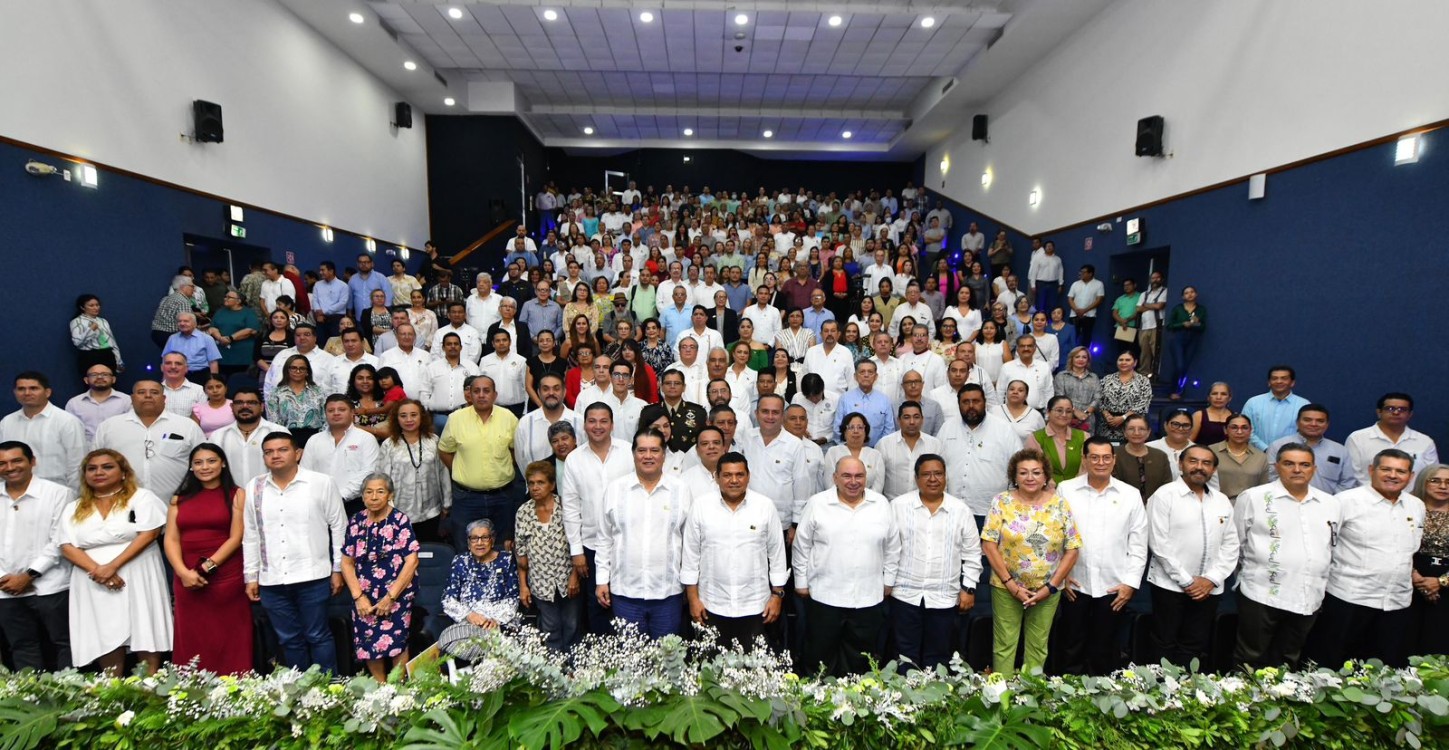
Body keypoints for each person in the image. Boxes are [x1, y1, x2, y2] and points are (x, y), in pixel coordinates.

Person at [1306, 449, 1423, 668]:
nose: (1393, 475)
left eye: (1401, 471)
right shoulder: (1344, 502)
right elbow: (1322, 547)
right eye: (1386, 469)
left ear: (1411, 476)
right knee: (1333, 666)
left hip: (1396, 602)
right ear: (1371, 470)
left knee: (1385, 669)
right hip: (1349, 598)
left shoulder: (1416, 506)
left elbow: (1410, 551)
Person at [59, 449, 172, 675]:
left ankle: (149, 689)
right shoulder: (74, 507)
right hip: (93, 579)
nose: (99, 472)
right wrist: (99, 571)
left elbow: (149, 533)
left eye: (107, 467)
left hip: (138, 572)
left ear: (123, 472)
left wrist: (112, 566)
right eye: (92, 468)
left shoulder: (142, 497)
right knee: (104, 631)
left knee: (144, 626)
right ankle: (112, 691)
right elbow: (66, 546)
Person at [243, 432, 347, 673]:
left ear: (297, 454)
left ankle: (328, 691)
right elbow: (251, 533)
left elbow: (339, 527)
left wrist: (338, 568)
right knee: (289, 640)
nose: (275, 455)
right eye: (269, 452)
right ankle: (299, 693)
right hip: (273, 579)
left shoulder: (321, 482)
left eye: (282, 450)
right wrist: (251, 575)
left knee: (318, 635)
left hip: (313, 576)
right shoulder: (255, 486)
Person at [1232, 442, 1339, 670]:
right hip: (1260, 592)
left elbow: (1331, 546)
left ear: (1314, 469)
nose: (1297, 470)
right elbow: (1236, 544)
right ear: (1276, 466)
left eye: (1304, 464)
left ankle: (1283, 703)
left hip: (1307, 594)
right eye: (1289, 464)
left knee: (1288, 658)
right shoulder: (1253, 497)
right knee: (1250, 658)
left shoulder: (1330, 503)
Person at [793, 456, 899, 676]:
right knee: (820, 659)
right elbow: (802, 545)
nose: (853, 481)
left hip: (868, 597)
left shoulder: (880, 504)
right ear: (834, 478)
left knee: (860, 662)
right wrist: (801, 582)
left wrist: (888, 580)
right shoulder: (817, 503)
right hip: (825, 595)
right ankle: (817, 706)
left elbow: (892, 546)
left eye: (859, 476)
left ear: (866, 478)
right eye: (847, 476)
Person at [980, 450, 1080, 678]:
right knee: (1004, 645)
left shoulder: (1060, 504)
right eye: (1023, 473)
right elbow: (988, 544)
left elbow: (1073, 548)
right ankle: (1001, 702)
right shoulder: (1001, 501)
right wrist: (1011, 585)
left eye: (1036, 472)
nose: (1030, 477)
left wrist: (1051, 587)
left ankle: (1030, 701)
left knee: (1038, 647)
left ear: (1046, 476)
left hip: (1048, 589)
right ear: (1014, 476)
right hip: (1006, 587)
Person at [1055, 438, 1148, 676]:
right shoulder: (1066, 489)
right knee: (1071, 645)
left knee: (1105, 648)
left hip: (1113, 586)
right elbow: (1055, 537)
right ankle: (1068, 699)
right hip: (1074, 583)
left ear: (1114, 460)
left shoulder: (1130, 495)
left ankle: (1101, 702)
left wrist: (1130, 584)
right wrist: (1060, 577)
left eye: (1106, 457)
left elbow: (1138, 543)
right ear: (1084, 460)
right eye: (1094, 457)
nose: (1100, 462)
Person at [1145, 444, 1239, 667]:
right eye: (1193, 461)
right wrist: (1187, 581)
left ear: (1214, 469)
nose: (1199, 467)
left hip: (1210, 588)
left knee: (1194, 643)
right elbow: (1159, 543)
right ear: (1180, 464)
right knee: (1163, 643)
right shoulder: (1164, 496)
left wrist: (1211, 579)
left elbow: (1231, 544)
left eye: (1206, 463)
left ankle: (1188, 693)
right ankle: (1159, 695)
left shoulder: (1221, 500)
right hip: (1170, 586)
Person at [681, 452, 787, 649]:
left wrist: (777, 596)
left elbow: (777, 555)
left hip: (756, 605)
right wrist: (693, 599)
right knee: (710, 670)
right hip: (711, 604)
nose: (734, 480)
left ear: (748, 476)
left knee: (754, 670)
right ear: (717, 478)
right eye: (727, 475)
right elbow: (690, 556)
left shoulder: (765, 507)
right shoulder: (701, 507)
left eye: (739, 475)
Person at [163, 443, 252, 674]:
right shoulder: (178, 499)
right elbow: (171, 539)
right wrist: (183, 573)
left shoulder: (237, 494)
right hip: (186, 577)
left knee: (230, 632)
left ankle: (235, 687)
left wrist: (207, 567)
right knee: (192, 633)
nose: (205, 467)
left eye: (211, 461)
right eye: (198, 462)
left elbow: (236, 536)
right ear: (191, 467)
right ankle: (190, 690)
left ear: (222, 463)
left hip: (226, 576)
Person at [595, 429, 691, 639]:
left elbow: (689, 544)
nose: (648, 456)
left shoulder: (681, 490)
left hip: (668, 592)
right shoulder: (615, 489)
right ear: (633, 454)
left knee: (667, 661)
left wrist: (690, 586)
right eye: (642, 450)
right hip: (625, 593)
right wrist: (601, 580)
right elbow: (604, 539)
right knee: (630, 662)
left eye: (654, 450)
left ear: (664, 454)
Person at [889, 453, 981, 672]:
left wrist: (968, 588)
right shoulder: (898, 506)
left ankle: (935, 703)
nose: (933, 479)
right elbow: (888, 550)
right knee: (904, 655)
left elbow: (973, 553)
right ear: (916, 478)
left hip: (944, 597)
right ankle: (904, 703)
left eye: (938, 473)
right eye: (926, 474)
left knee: (939, 656)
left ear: (946, 477)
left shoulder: (961, 510)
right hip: (904, 594)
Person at [560, 403, 633, 635]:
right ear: (584, 425)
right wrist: (576, 551)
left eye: (603, 421)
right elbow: (570, 508)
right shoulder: (574, 459)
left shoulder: (630, 452)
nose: (598, 426)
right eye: (592, 421)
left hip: (628, 543)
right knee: (597, 603)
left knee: (626, 603)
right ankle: (602, 662)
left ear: (612, 424)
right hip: (590, 545)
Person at [340, 473, 420, 682]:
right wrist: (358, 596)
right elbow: (347, 562)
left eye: (380, 491)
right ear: (363, 496)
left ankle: (399, 688)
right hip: (364, 594)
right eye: (369, 492)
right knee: (369, 642)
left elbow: (412, 561)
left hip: (396, 594)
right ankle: (380, 687)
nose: (374, 497)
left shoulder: (399, 520)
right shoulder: (356, 522)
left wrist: (390, 597)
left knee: (397, 642)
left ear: (390, 495)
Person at [0, 441, 73, 670]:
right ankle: (28, 698)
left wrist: (29, 575)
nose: (10, 467)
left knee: (63, 643)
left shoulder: (59, 493)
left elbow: (60, 540)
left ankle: (69, 698)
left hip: (52, 585)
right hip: (5, 588)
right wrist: (4, 577)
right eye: (2, 463)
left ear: (32, 462)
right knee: (21, 645)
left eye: (17, 460)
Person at [438, 376, 519, 550]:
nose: (481, 395)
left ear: (495, 395)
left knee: (502, 549)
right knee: (466, 548)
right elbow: (444, 450)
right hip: (467, 498)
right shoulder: (455, 419)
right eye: (476, 391)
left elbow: (514, 450)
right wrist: (462, 470)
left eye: (486, 391)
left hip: (502, 497)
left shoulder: (509, 418)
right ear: (469, 395)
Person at [93, 381, 205, 497]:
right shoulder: (109, 427)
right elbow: (93, 465)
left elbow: (205, 460)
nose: (148, 396)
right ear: (132, 398)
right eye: (141, 392)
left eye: (154, 392)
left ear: (164, 398)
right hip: (122, 504)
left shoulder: (187, 426)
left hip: (177, 504)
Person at [515, 461, 581, 653]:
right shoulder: (523, 512)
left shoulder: (566, 508)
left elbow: (577, 546)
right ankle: (555, 670)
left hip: (568, 580)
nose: (535, 487)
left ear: (552, 485)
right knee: (550, 629)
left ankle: (575, 669)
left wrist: (575, 576)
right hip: (540, 583)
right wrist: (524, 586)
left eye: (540, 482)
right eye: (531, 483)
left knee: (572, 625)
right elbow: (521, 554)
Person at [937, 384, 1023, 521]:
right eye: (965, 402)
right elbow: (936, 464)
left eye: (976, 401)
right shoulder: (947, 427)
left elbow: (1019, 467)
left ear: (985, 403)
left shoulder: (1004, 429)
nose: (971, 406)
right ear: (958, 404)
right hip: (952, 509)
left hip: (990, 511)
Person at [438, 518, 520, 656]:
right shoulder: (460, 561)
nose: (479, 543)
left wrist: (494, 620)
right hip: (467, 625)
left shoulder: (506, 560)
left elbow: (513, 598)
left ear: (492, 540)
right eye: (474, 538)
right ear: (468, 542)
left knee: (502, 649)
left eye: (484, 538)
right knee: (448, 642)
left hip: (498, 624)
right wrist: (469, 615)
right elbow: (448, 600)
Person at [378, 400, 451, 543]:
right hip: (398, 510)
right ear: (396, 419)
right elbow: (382, 479)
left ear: (421, 417)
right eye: (403, 416)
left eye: (413, 415)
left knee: (428, 552)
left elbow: (443, 473)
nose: (409, 420)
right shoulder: (389, 444)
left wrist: (447, 503)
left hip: (431, 510)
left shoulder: (433, 440)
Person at [2, 371, 87, 491]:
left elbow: (78, 465)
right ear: (15, 392)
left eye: (33, 388)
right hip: (14, 494)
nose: (27, 393)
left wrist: (74, 497)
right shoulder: (7, 422)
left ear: (47, 392)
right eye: (21, 389)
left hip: (56, 493)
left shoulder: (67, 421)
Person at [1346, 393, 1439, 486]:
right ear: (1379, 412)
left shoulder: (1425, 441)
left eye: (1402, 409)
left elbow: (1432, 475)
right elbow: (1352, 474)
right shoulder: (1358, 438)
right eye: (1390, 408)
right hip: (1366, 498)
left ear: (1410, 414)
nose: (1396, 412)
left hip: (1413, 498)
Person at [1266, 404, 1358, 493]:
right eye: (1307, 420)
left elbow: (1347, 483)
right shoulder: (1278, 446)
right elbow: (1271, 477)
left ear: (1327, 424)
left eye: (1320, 421)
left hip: (1328, 505)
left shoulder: (1340, 451)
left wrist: (1329, 501)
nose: (1313, 424)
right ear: (1297, 422)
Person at [1410, 464, 1449, 656]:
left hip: (1445, 586)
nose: (1443, 486)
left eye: (1448, 482)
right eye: (1435, 480)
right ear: (1423, 482)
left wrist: (1441, 581)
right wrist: (1415, 576)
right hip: (1409, 582)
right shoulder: (1407, 509)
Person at [210, 387, 286, 486]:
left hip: (271, 495)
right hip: (230, 496)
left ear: (262, 407)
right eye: (239, 403)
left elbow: (288, 467)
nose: (245, 406)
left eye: (251, 402)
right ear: (232, 407)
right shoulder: (218, 436)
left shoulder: (279, 432)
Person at [878, 401, 944, 500]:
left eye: (916, 417)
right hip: (893, 505)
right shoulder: (884, 444)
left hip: (924, 505)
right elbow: (878, 481)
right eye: (906, 417)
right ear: (898, 420)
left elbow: (942, 478)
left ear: (922, 420)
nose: (912, 422)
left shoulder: (935, 444)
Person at [1240, 365, 1309, 451]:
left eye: (1284, 378)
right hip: (1257, 455)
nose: (1279, 381)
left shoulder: (1304, 405)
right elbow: (1244, 429)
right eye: (1274, 378)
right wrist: (1266, 449)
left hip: (1292, 456)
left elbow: (1307, 432)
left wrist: (1285, 452)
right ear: (1269, 382)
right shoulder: (1253, 403)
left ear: (1292, 383)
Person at [831, 361, 895, 447]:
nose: (866, 375)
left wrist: (879, 450)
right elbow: (838, 428)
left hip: (877, 452)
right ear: (855, 376)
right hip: (849, 451)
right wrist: (847, 448)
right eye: (862, 372)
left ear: (876, 377)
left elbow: (889, 430)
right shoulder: (845, 398)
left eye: (870, 372)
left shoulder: (884, 400)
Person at [65, 364, 132, 445]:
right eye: (94, 375)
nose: (100, 377)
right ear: (86, 380)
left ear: (113, 379)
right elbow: (70, 432)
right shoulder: (74, 403)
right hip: (86, 452)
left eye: (105, 374)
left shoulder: (127, 401)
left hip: (119, 449)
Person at [1112, 414, 1173, 500]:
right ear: (1124, 432)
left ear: (1148, 432)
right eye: (1131, 429)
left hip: (1156, 506)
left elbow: (1167, 487)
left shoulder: (1160, 456)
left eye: (1141, 429)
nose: (1136, 433)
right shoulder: (1113, 455)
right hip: (1122, 505)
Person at [1031, 396, 1088, 486]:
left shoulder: (1083, 437)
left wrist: (1074, 488)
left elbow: (1086, 467)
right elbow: (1034, 469)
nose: (1064, 414)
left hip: (1078, 490)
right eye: (1059, 410)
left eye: (1068, 411)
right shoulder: (1035, 438)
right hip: (1046, 492)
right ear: (1048, 412)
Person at [1210, 414, 1269, 503]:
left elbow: (1264, 489)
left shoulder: (1261, 457)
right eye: (1234, 427)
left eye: (1244, 428)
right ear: (1225, 430)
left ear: (1250, 431)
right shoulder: (1211, 452)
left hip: (1250, 507)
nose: (1239, 432)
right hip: (1217, 505)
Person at [69, 294, 125, 378]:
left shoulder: (103, 321)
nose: (96, 308)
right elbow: (77, 342)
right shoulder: (77, 322)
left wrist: (118, 360)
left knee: (110, 383)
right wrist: (91, 330)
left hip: (108, 355)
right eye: (91, 305)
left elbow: (112, 342)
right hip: (91, 356)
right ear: (82, 307)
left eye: (97, 305)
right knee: (93, 384)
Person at [1165, 286, 1205, 400]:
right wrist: (1182, 324)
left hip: (1193, 338)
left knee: (1185, 367)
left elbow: (1203, 326)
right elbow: (1169, 325)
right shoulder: (1178, 308)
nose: (1190, 294)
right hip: (1178, 338)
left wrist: (1195, 324)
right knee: (1179, 366)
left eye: (1192, 292)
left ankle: (1179, 391)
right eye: (1187, 293)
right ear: (1183, 296)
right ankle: (1172, 390)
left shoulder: (1201, 309)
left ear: (1196, 294)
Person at [478, 330, 529, 417]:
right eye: (497, 341)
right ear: (493, 344)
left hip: (516, 409)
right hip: (491, 408)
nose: (501, 343)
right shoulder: (485, 360)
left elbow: (526, 387)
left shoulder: (521, 360)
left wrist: (525, 411)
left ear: (510, 342)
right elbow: (480, 386)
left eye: (504, 340)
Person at [996, 335, 1053, 413]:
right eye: (1022, 346)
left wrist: (1048, 413)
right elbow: (1000, 392)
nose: (1026, 349)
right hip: (1011, 413)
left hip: (1038, 413)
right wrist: (1001, 412)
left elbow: (1049, 391)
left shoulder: (1044, 366)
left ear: (1035, 348)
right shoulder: (1006, 367)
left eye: (1029, 346)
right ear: (1017, 349)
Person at [1135, 271, 1168, 379]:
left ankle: (1157, 373)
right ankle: (1144, 373)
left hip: (1157, 326)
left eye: (1157, 278)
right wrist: (1152, 305)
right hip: (1144, 326)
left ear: (1161, 279)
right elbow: (1138, 308)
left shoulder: (1165, 291)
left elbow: (1159, 306)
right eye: (1153, 278)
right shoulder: (1144, 294)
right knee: (1144, 351)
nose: (1155, 280)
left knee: (1156, 351)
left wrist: (1146, 305)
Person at [1065, 265, 1105, 349]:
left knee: (1086, 336)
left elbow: (1099, 299)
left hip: (1089, 315)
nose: (1081, 274)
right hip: (1074, 315)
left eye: (1083, 272)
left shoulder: (1098, 284)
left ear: (1090, 274)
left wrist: (1085, 310)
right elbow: (1070, 298)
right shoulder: (1075, 284)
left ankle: (1085, 355)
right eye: (1080, 272)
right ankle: (1071, 353)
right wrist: (1076, 309)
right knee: (1072, 335)